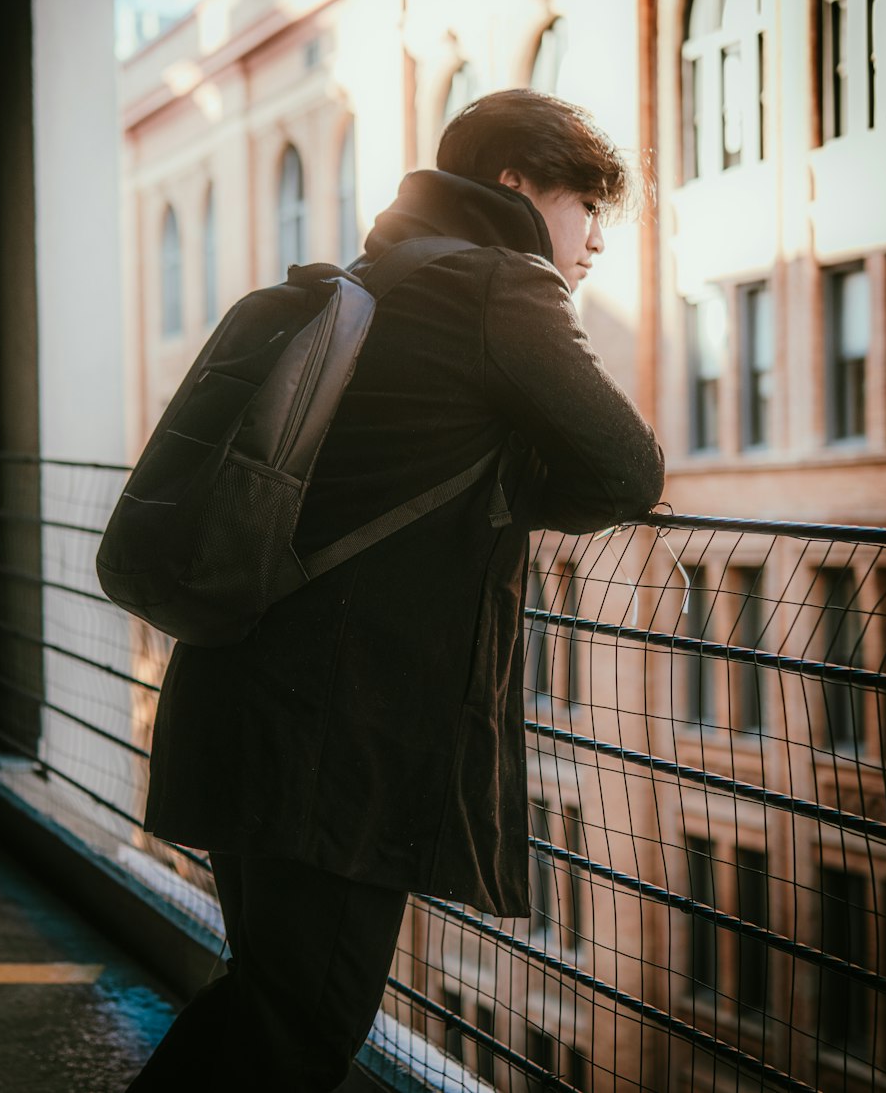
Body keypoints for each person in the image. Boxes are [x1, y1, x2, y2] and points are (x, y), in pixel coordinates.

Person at [125, 89, 664, 1091]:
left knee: (271, 998)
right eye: (584, 203)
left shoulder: (370, 278)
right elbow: (625, 469)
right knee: (300, 1023)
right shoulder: (498, 286)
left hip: (242, 690)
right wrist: (514, 485)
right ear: (512, 184)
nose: (594, 239)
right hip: (343, 733)